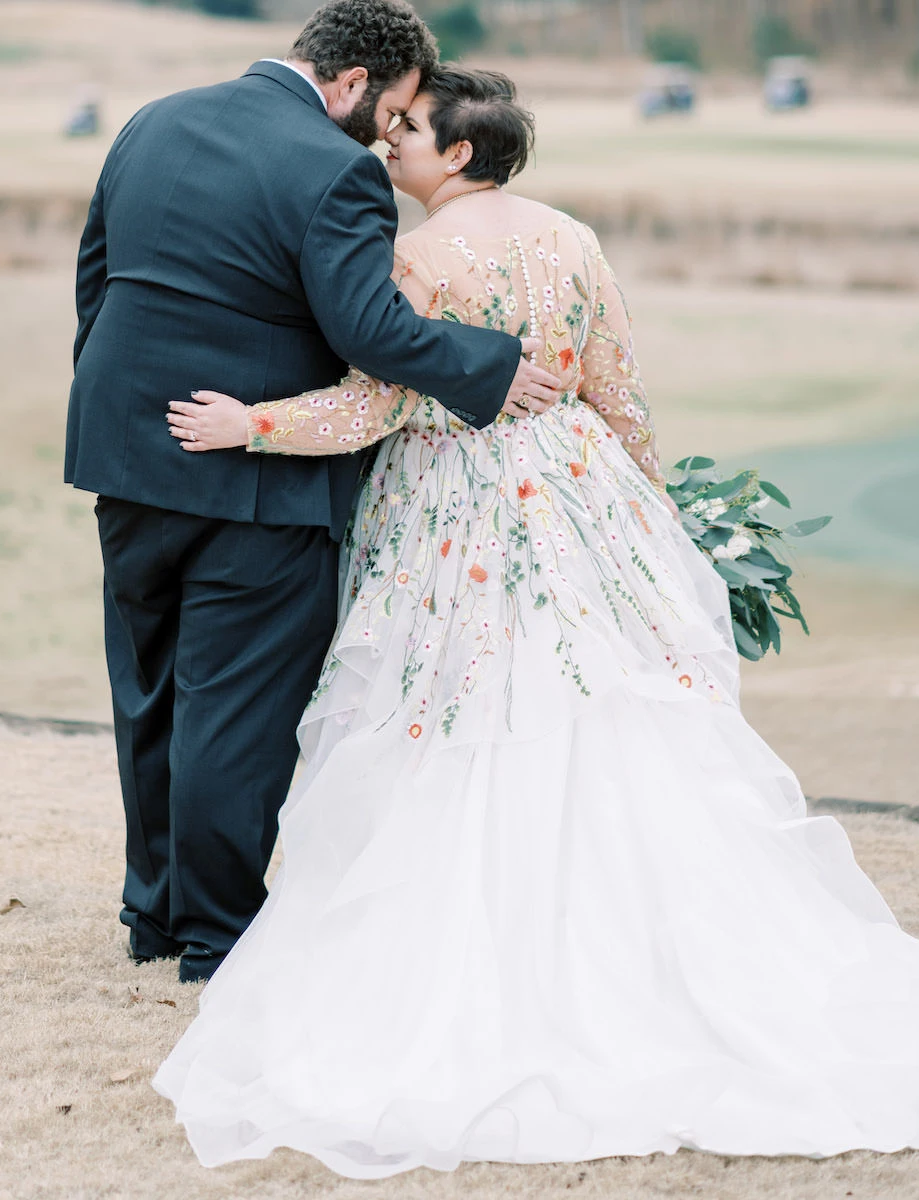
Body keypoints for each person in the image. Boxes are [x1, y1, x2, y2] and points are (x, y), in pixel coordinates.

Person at [154, 66, 919, 1176]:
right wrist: (650, 517)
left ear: (459, 154)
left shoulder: (417, 257)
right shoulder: (573, 237)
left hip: (458, 503)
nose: (389, 144)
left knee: (461, 704)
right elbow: (618, 388)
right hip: (581, 490)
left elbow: (384, 398)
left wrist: (251, 420)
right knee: (599, 698)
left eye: (410, 132)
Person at [63, 1, 563, 984]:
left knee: (151, 685)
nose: (389, 133)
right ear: (350, 85)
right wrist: (493, 366)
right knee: (236, 708)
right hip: (256, 475)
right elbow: (369, 330)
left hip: (128, 453)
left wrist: (117, 408)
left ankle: (151, 912)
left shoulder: (152, 119)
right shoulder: (335, 170)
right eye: (396, 110)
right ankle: (214, 938)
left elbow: (98, 279)